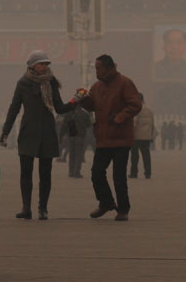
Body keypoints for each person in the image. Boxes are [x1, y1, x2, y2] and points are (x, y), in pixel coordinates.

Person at [0, 50, 81, 220]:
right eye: (41, 63)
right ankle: (26, 208)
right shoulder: (23, 83)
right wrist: (5, 131)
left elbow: (59, 108)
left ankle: (43, 208)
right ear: (32, 65)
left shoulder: (51, 82)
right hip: (29, 131)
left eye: (46, 64)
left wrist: (75, 101)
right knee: (26, 172)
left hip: (47, 131)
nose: (44, 66)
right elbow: (14, 109)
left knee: (46, 173)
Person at [80, 54, 142, 221]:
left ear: (109, 68)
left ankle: (123, 209)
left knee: (119, 176)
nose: (96, 72)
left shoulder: (125, 83)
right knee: (97, 173)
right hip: (103, 138)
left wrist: (121, 117)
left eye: (98, 68)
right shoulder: (97, 87)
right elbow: (92, 105)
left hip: (121, 138)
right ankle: (106, 202)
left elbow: (135, 104)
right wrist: (82, 99)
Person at [130, 94, 154, 179]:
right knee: (146, 156)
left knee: (134, 156)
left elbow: (134, 123)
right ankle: (148, 173)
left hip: (136, 136)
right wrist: (151, 135)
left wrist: (131, 133)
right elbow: (152, 125)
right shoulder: (149, 110)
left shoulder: (136, 109)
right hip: (146, 136)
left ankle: (134, 173)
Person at [64, 107, 92, 178]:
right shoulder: (85, 114)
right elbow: (88, 125)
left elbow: (64, 125)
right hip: (80, 136)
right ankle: (76, 172)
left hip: (71, 136)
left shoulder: (68, 113)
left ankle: (71, 171)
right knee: (79, 155)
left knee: (72, 154)